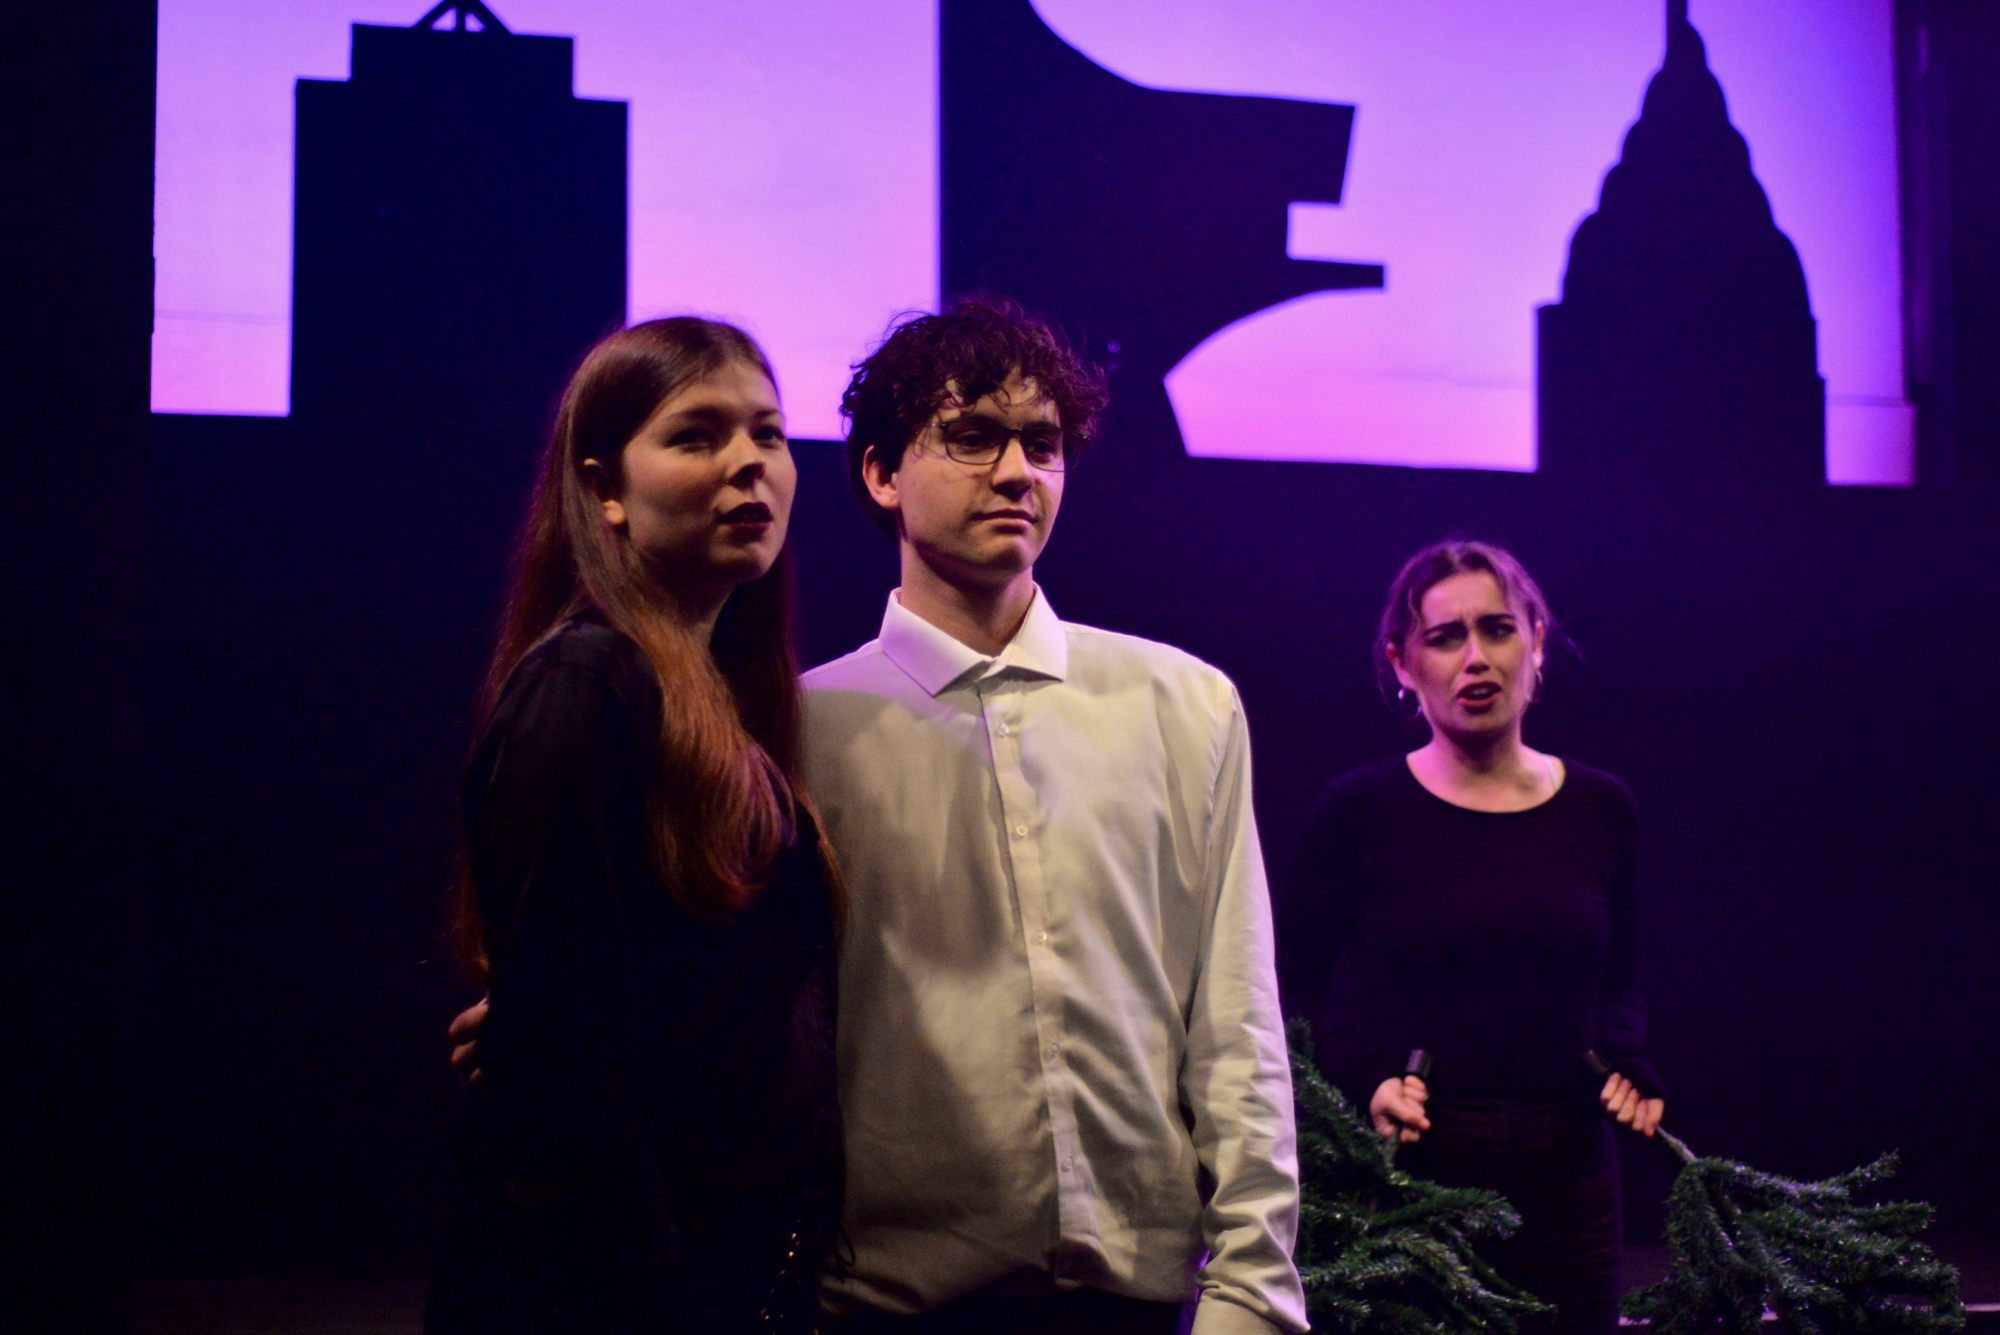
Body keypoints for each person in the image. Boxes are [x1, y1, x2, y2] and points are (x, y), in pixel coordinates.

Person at [803, 296, 1305, 1335]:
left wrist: (1253, 1294)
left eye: (1041, 443)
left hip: (1135, 1303)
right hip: (887, 1303)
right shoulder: (803, 729)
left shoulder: (1182, 704)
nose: (1016, 472)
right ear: (880, 472)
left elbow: (1235, 1023)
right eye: (971, 436)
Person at [426, 319, 846, 1335]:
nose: (750, 462)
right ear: (604, 487)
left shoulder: (721, 694)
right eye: (697, 435)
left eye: (769, 433)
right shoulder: (586, 684)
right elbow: (564, 1087)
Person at [1276, 538, 1664, 1335]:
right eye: (1445, 636)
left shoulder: (1602, 807)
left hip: (1571, 1192)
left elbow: (1620, 982)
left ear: (1537, 643)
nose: (1476, 657)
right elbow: (1291, 991)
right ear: (1403, 663)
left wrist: (1624, 1057)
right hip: (1413, 1189)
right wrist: (1369, 1078)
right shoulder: (1359, 811)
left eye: (1498, 628)